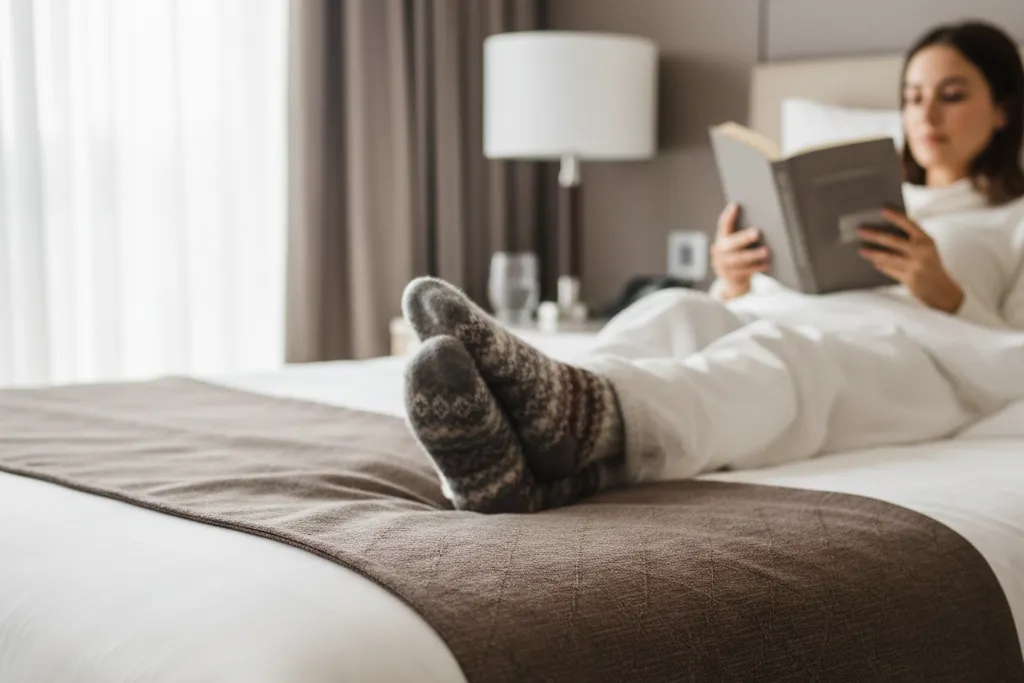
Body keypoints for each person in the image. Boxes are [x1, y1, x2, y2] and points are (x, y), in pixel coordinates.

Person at [401, 20, 1024, 514]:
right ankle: (531, 461)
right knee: (681, 310)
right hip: (794, 312)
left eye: (952, 95)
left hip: (912, 357)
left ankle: (579, 415)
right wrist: (733, 279)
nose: (926, 115)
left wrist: (943, 292)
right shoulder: (872, 196)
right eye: (913, 97)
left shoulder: (1010, 219)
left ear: (1001, 109)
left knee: (788, 357)